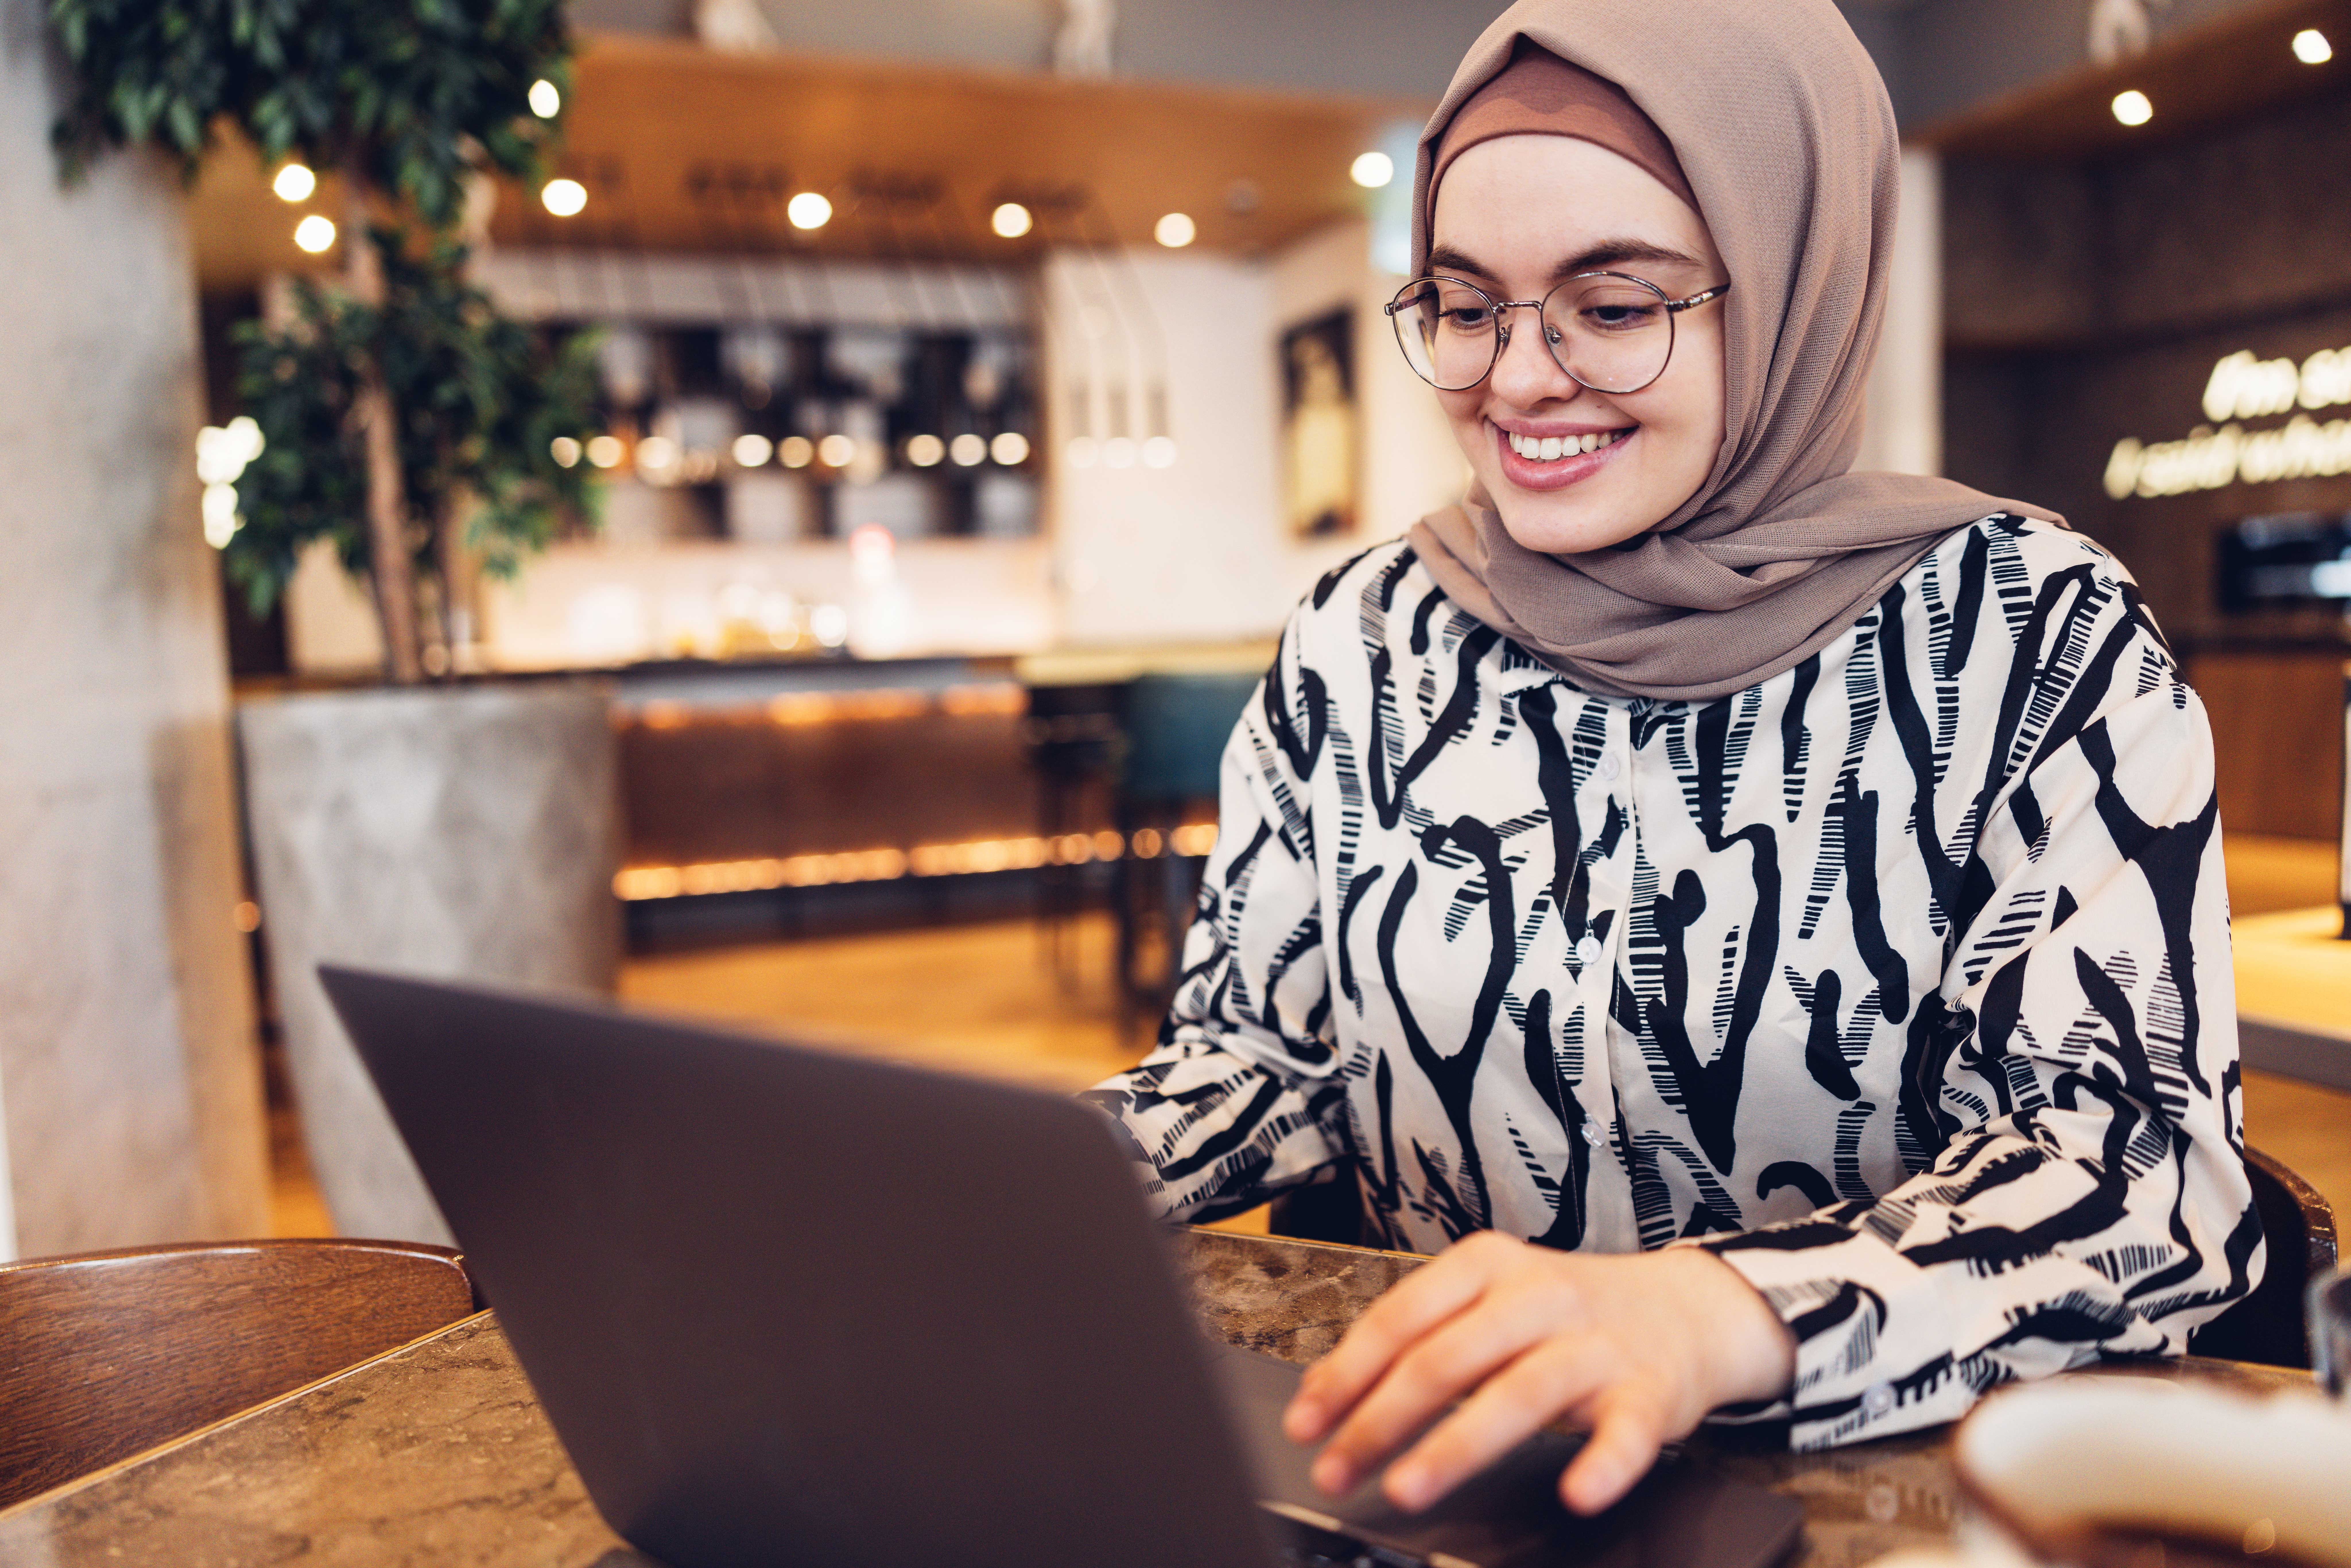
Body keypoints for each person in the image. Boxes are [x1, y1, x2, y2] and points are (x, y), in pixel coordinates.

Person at [1083, 0, 2256, 1523]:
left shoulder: (2028, 637)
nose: (1516, 377)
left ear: (1789, 280)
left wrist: (1723, 1315)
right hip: (1456, 1484)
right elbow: (1273, 1054)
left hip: (1878, 1500)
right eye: (1464, 301)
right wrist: (1029, 1173)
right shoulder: (1363, 639)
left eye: (1612, 302)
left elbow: (2144, 1176)